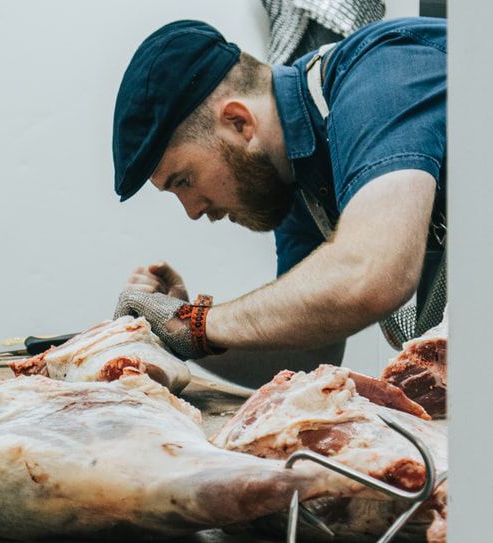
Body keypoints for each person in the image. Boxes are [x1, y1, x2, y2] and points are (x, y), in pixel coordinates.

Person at [111, 17, 446, 386]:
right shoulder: (294, 178)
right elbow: (307, 357)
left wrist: (195, 323)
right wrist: (178, 332)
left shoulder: (380, 75)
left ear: (239, 122)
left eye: (185, 180)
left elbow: (374, 272)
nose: (193, 211)